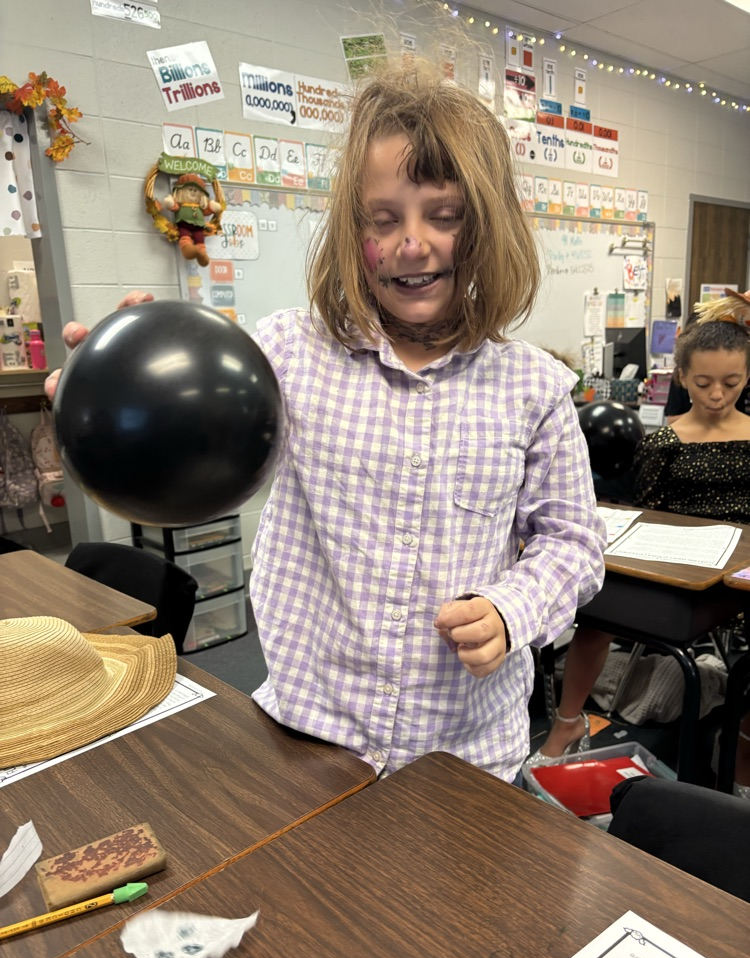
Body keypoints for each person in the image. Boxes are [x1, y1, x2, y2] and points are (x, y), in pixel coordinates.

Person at [48, 59, 606, 783]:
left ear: (486, 228)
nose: (413, 242)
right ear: (353, 229)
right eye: (385, 219)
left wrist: (511, 608)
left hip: (465, 756)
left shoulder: (533, 387)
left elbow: (574, 544)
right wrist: (124, 392)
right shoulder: (286, 353)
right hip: (306, 733)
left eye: (445, 215)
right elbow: (196, 416)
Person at [531, 319, 750, 796]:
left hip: (737, 577)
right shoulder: (663, 443)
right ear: (683, 377)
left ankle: (740, 764)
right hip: (674, 571)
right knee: (598, 613)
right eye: (705, 382)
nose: (717, 394)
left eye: (731, 383)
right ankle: (567, 723)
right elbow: (644, 511)